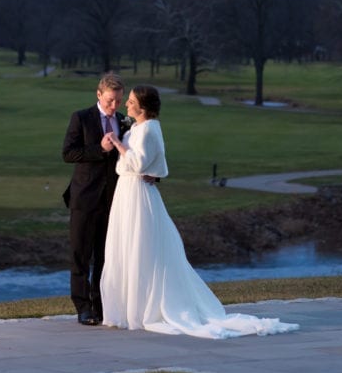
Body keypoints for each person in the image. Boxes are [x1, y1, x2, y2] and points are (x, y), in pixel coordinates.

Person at [100, 85, 300, 339]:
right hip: (125, 191)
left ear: (143, 106)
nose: (126, 105)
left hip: (137, 192)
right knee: (126, 245)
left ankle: (144, 307)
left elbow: (140, 163)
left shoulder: (150, 128)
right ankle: (128, 306)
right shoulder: (137, 127)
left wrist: (117, 142)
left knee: (142, 246)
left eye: (130, 101)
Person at [62, 71, 126, 325]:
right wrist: (99, 149)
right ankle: (82, 307)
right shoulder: (81, 118)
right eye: (110, 100)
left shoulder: (123, 121)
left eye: (118, 101)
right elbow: (68, 153)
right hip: (84, 198)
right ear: (99, 94)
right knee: (80, 254)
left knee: (104, 256)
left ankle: (100, 305)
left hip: (113, 200)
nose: (114, 106)